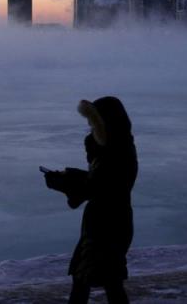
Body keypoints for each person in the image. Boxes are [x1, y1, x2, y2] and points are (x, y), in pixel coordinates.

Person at [44, 96, 138, 304]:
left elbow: (98, 188)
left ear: (105, 122)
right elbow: (98, 182)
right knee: (100, 280)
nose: (89, 125)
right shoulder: (117, 147)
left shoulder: (115, 153)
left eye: (92, 121)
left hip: (107, 226)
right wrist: (69, 176)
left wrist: (63, 183)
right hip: (107, 224)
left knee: (98, 281)